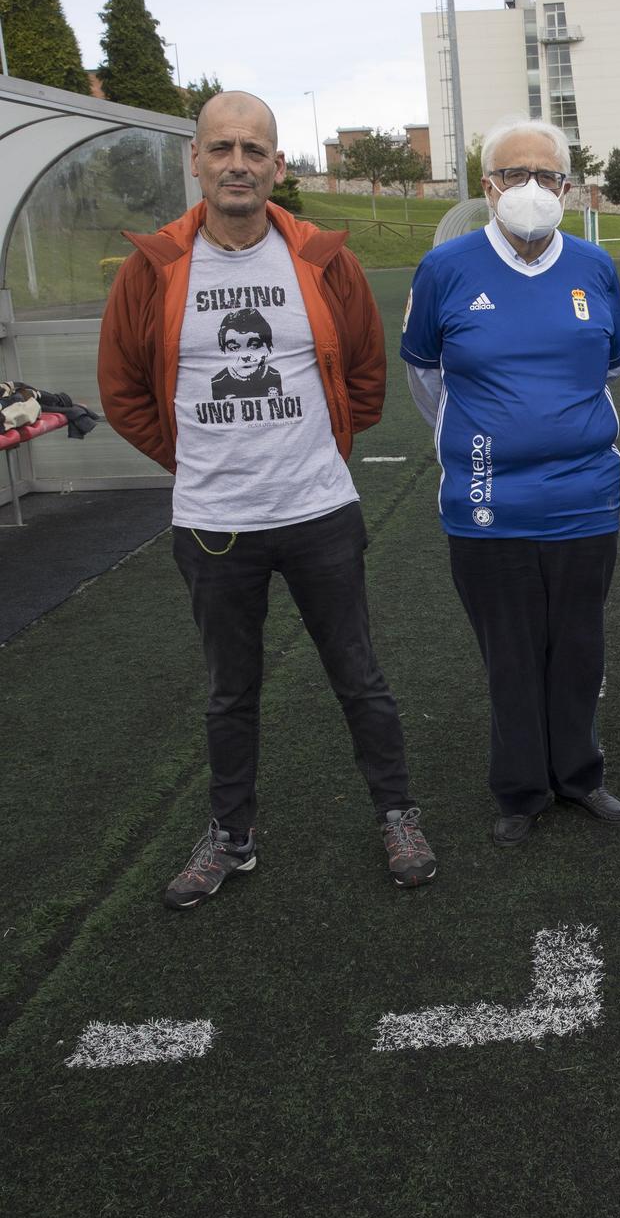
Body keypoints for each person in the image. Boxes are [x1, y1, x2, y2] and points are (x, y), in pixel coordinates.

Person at [98, 90, 436, 906]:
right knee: (228, 690)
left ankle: (396, 813)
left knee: (359, 675)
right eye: (222, 149)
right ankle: (232, 836)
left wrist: (318, 453)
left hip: (319, 510)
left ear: (278, 165)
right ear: (197, 160)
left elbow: (362, 373)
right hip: (213, 524)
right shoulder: (154, 269)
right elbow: (122, 392)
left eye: (255, 150)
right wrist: (196, 460)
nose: (238, 164)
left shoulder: (322, 259)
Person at [401, 118, 620, 846]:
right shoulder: (445, 269)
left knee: (578, 647)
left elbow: (611, 367)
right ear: (486, 185)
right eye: (513, 174)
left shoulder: (594, 267)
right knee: (509, 653)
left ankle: (580, 775)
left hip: (586, 500)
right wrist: (480, 441)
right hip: (485, 504)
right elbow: (425, 377)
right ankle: (522, 788)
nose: (530, 189)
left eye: (546, 175)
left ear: (567, 187)